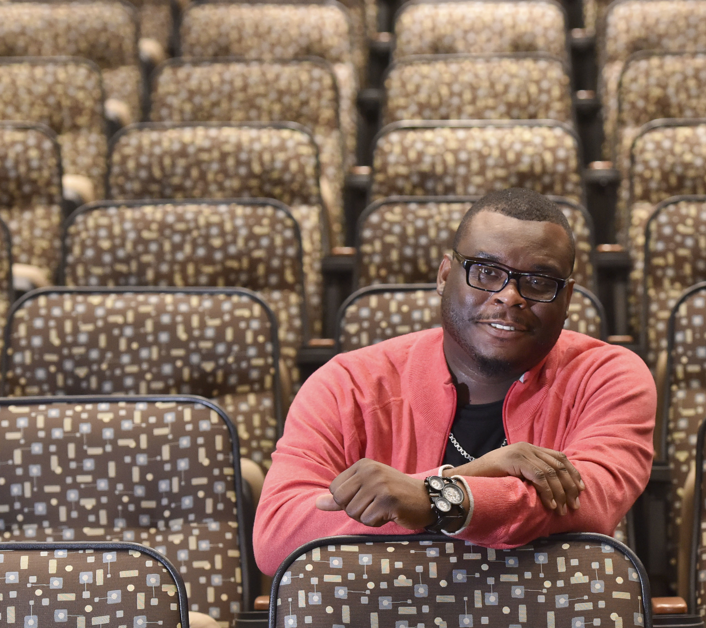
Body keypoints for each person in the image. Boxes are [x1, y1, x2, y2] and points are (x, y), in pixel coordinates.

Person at [253, 188, 656, 574]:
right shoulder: (348, 384)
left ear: (566, 299)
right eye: (486, 272)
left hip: (551, 618)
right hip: (381, 617)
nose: (510, 296)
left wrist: (429, 499)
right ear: (445, 276)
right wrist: (465, 478)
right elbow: (278, 537)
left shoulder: (608, 377)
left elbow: (587, 503)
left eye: (538, 282)